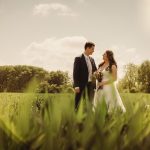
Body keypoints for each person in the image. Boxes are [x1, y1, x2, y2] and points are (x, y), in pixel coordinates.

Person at [73, 42, 97, 111]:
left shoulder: (92, 59)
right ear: (87, 48)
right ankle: (76, 118)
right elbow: (75, 73)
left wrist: (96, 73)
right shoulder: (78, 58)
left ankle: (87, 117)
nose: (93, 51)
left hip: (90, 85)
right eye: (92, 49)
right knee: (78, 103)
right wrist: (76, 85)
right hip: (81, 85)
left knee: (90, 103)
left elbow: (95, 70)